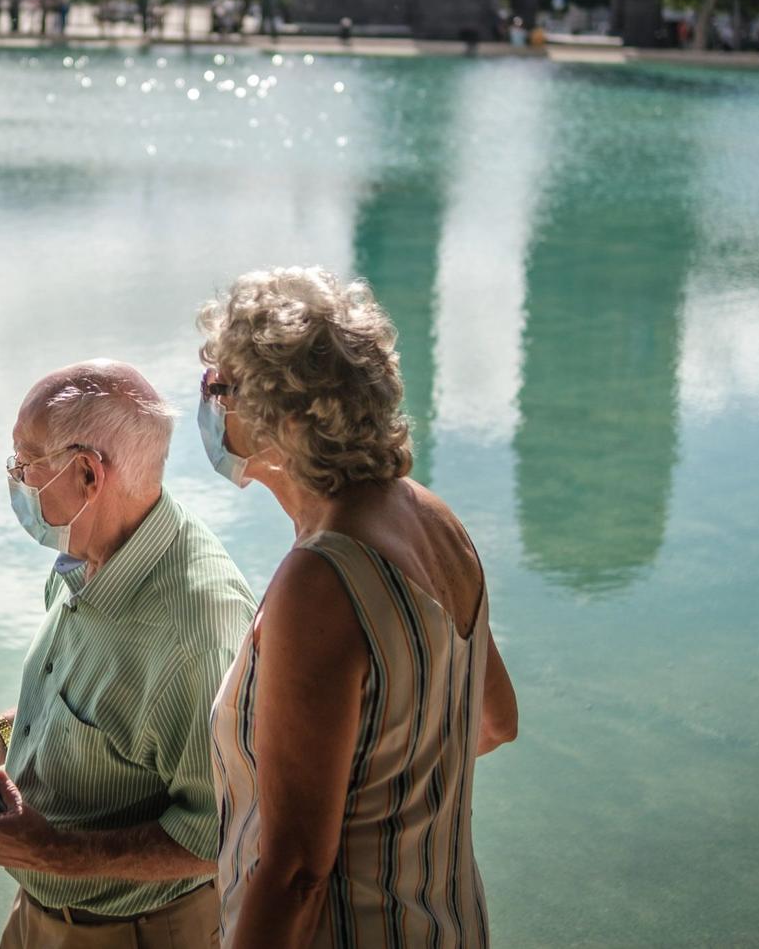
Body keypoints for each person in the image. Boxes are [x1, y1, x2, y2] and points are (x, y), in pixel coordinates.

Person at [197, 269, 519, 949]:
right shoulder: (436, 519)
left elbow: (295, 876)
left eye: (216, 386)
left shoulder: (321, 580)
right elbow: (494, 720)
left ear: (279, 422)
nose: (206, 403)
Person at [0, 360, 255, 949]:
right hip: (41, 916)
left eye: (23, 465)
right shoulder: (85, 558)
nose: (14, 479)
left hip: (139, 934)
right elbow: (92, 711)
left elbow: (221, 832)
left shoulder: (197, 632)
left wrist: (56, 853)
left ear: (88, 474)